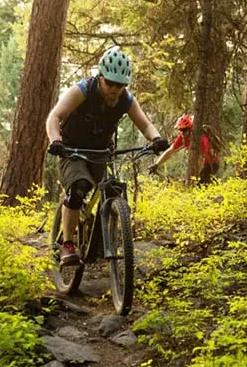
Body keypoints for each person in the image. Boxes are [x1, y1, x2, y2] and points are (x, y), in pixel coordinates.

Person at [45, 46, 169, 266]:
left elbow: (145, 124)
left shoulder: (126, 100)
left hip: (101, 152)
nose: (114, 89)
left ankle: (100, 244)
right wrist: (56, 141)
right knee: (79, 188)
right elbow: (54, 117)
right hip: (72, 150)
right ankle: (67, 244)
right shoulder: (82, 91)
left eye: (120, 85)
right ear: (100, 76)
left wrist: (156, 139)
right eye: (110, 83)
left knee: (111, 190)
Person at [148, 114, 221, 184]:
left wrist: (193, 176)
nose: (182, 133)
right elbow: (170, 151)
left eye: (184, 130)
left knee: (200, 186)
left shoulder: (202, 140)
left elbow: (201, 160)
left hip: (211, 164)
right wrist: (157, 164)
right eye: (181, 130)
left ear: (190, 128)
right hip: (199, 164)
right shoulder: (182, 138)